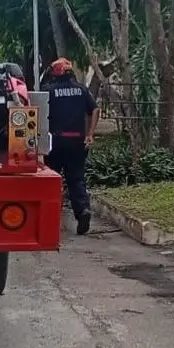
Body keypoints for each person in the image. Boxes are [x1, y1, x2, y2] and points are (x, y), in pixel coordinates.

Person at [44, 57, 99, 235]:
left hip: (55, 143)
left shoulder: (48, 91)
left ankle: (51, 220)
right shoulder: (81, 90)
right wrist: (90, 133)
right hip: (77, 141)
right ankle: (82, 211)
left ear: (55, 73)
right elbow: (95, 109)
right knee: (76, 180)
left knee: (52, 181)